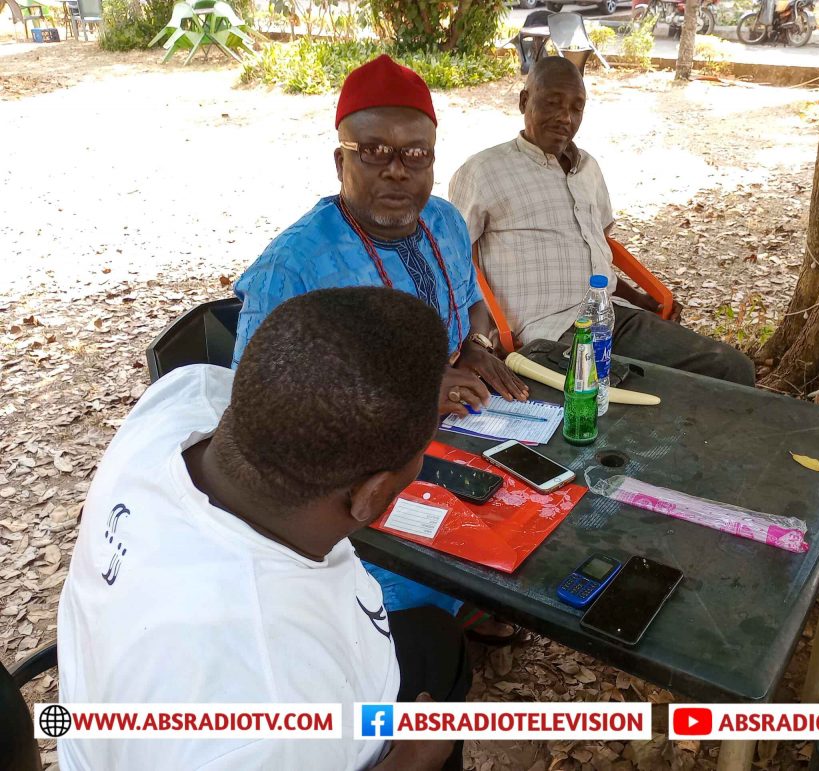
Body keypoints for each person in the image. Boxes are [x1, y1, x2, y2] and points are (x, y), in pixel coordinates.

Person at [58, 288, 471, 771]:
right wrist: (416, 759)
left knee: (436, 641)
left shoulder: (184, 396)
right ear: (371, 496)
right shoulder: (269, 709)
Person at [232, 54, 526, 628]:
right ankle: (422, 635)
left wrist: (472, 347)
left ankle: (472, 611)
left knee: (525, 500)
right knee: (424, 577)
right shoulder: (292, 268)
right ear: (341, 160)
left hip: (454, 430)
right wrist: (414, 393)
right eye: (374, 151)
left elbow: (465, 306)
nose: (397, 171)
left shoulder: (443, 221)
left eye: (415, 154)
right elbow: (255, 418)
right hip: (346, 485)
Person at [448, 56, 755, 386]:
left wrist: (639, 299)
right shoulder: (483, 171)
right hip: (549, 333)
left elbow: (597, 251)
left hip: (613, 315)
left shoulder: (588, 168)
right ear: (525, 101)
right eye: (552, 103)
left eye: (576, 108)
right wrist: (478, 342)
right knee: (618, 398)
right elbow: (454, 265)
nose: (565, 118)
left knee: (731, 368)